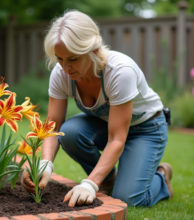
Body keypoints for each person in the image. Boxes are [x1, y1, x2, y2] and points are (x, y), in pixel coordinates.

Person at [21, 10, 173, 208]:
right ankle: (108, 179)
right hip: (105, 125)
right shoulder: (61, 73)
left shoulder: (120, 72)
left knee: (129, 199)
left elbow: (117, 138)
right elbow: (53, 125)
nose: (65, 68)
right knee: (70, 132)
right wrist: (45, 164)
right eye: (59, 58)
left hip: (146, 129)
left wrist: (89, 184)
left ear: (93, 50)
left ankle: (161, 177)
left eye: (73, 59)